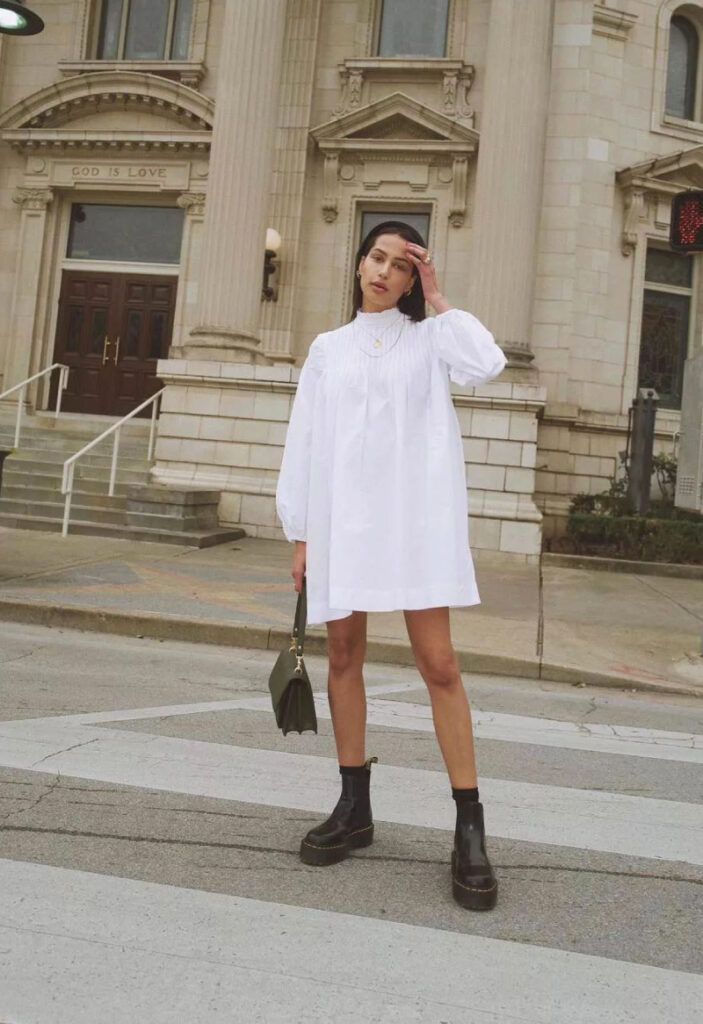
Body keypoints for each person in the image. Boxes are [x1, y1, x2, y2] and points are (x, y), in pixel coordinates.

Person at [275, 220, 506, 911]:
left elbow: (487, 363)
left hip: (414, 523)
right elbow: (306, 441)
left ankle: (469, 827)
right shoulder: (326, 350)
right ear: (357, 264)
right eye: (376, 257)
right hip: (343, 524)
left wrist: (438, 296)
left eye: (399, 265)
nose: (383, 271)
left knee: (439, 664)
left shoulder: (432, 339)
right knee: (342, 655)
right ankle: (354, 806)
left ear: (410, 279)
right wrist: (302, 534)